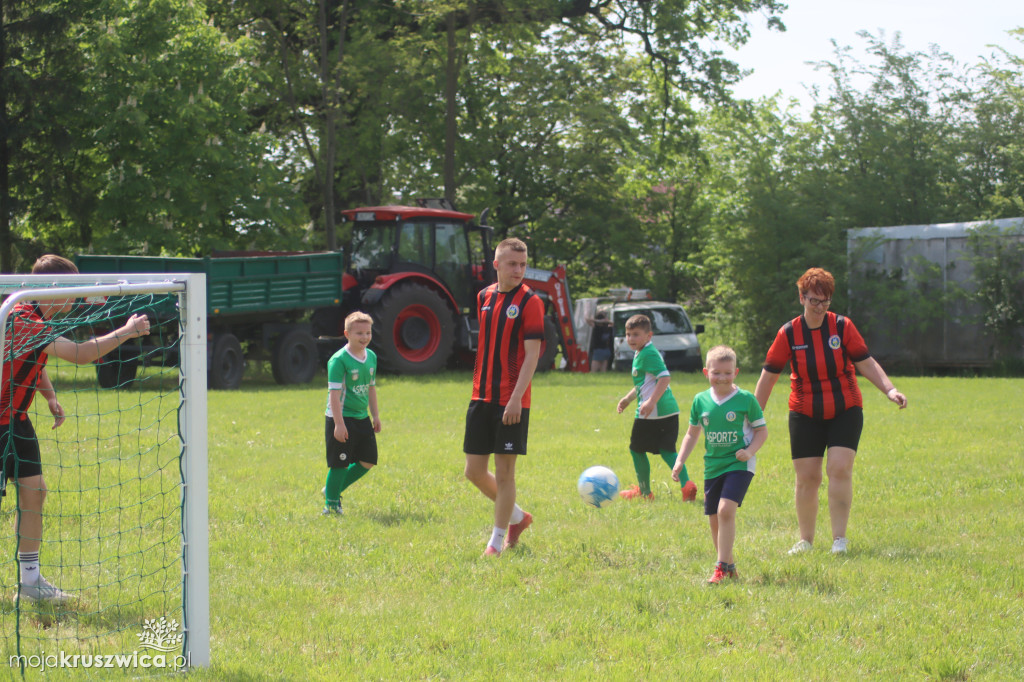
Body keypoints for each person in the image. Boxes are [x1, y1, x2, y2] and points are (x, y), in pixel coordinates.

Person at [2, 254, 150, 602]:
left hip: (16, 421)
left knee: (35, 492)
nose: (77, 295)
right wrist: (127, 331)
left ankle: (30, 584)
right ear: (52, 289)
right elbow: (82, 354)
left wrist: (50, 397)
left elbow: (31, 361)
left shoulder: (34, 319)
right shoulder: (23, 319)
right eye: (72, 288)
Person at [753, 267, 908, 556]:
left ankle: (839, 540)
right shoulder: (788, 333)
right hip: (804, 411)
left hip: (844, 408)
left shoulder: (842, 326)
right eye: (814, 301)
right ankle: (806, 541)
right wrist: (753, 415)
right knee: (807, 477)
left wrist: (889, 389)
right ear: (801, 298)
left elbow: (865, 361)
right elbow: (769, 375)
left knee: (839, 469)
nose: (820, 307)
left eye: (825, 302)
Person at [463, 238, 543, 557]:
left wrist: (515, 399)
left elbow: (531, 356)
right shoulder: (484, 296)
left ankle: (496, 542)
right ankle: (518, 517)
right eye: (512, 264)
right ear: (496, 265)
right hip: (481, 396)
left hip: (513, 402)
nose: (518, 270)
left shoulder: (531, 302)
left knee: (506, 472)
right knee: (473, 471)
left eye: (523, 265)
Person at [673, 345, 767, 584]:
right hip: (712, 467)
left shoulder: (746, 400)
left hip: (738, 465)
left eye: (727, 372)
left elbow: (761, 432)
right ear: (706, 372)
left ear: (736, 372)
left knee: (726, 510)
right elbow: (692, 434)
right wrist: (680, 460)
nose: (722, 377)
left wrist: (749, 451)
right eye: (717, 372)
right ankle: (730, 566)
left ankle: (721, 568)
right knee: (714, 519)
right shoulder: (700, 400)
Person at [615, 314, 697, 502]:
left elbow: (665, 377)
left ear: (648, 336)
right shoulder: (643, 352)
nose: (631, 339)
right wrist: (628, 399)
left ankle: (644, 492)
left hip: (653, 412)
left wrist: (651, 402)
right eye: (628, 334)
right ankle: (687, 486)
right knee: (667, 450)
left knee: (636, 449)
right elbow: (644, 383)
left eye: (636, 334)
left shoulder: (648, 353)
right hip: (670, 410)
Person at [322, 311, 382, 516]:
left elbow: (371, 388)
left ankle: (332, 490)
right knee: (340, 463)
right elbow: (334, 394)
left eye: (368, 332)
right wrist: (338, 424)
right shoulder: (338, 360)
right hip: (341, 418)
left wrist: (375, 415)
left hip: (361, 417)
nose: (364, 337)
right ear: (347, 334)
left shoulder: (371, 356)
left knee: (368, 460)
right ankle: (331, 505)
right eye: (359, 333)